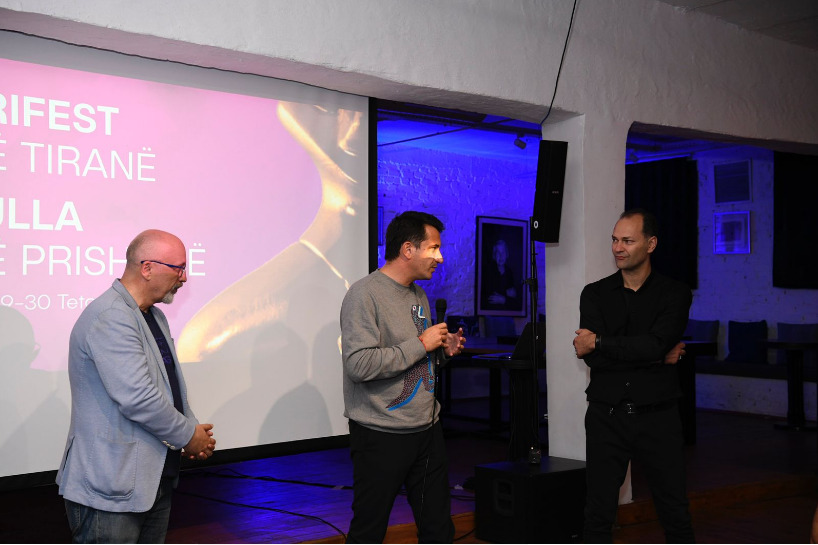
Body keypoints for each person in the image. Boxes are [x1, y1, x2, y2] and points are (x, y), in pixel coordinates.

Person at [56, 229, 216, 543]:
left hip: (149, 481)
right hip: (110, 488)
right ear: (147, 268)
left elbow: (167, 387)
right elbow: (139, 398)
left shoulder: (153, 316)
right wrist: (188, 436)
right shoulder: (111, 316)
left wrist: (193, 428)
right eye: (178, 268)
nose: (184, 278)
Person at [340, 211, 466, 543]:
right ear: (408, 249)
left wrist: (443, 351)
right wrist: (421, 343)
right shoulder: (364, 295)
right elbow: (359, 365)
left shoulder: (419, 295)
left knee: (438, 528)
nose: (440, 257)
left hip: (427, 430)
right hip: (381, 434)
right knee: (369, 530)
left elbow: (418, 362)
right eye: (433, 248)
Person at [573, 209, 694, 543]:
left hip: (658, 416)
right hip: (606, 415)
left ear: (651, 244)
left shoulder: (675, 293)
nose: (617, 248)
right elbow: (595, 358)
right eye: (615, 240)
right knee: (597, 513)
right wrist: (655, 354)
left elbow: (650, 345)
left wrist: (600, 341)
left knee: (674, 510)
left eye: (627, 240)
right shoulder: (594, 293)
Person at [481, 238, 520, 311]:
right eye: (498, 253)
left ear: (507, 255)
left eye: (503, 252)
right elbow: (490, 297)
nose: (501, 256)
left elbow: (515, 298)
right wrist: (505, 294)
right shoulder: (488, 272)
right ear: (494, 256)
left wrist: (504, 300)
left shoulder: (510, 273)